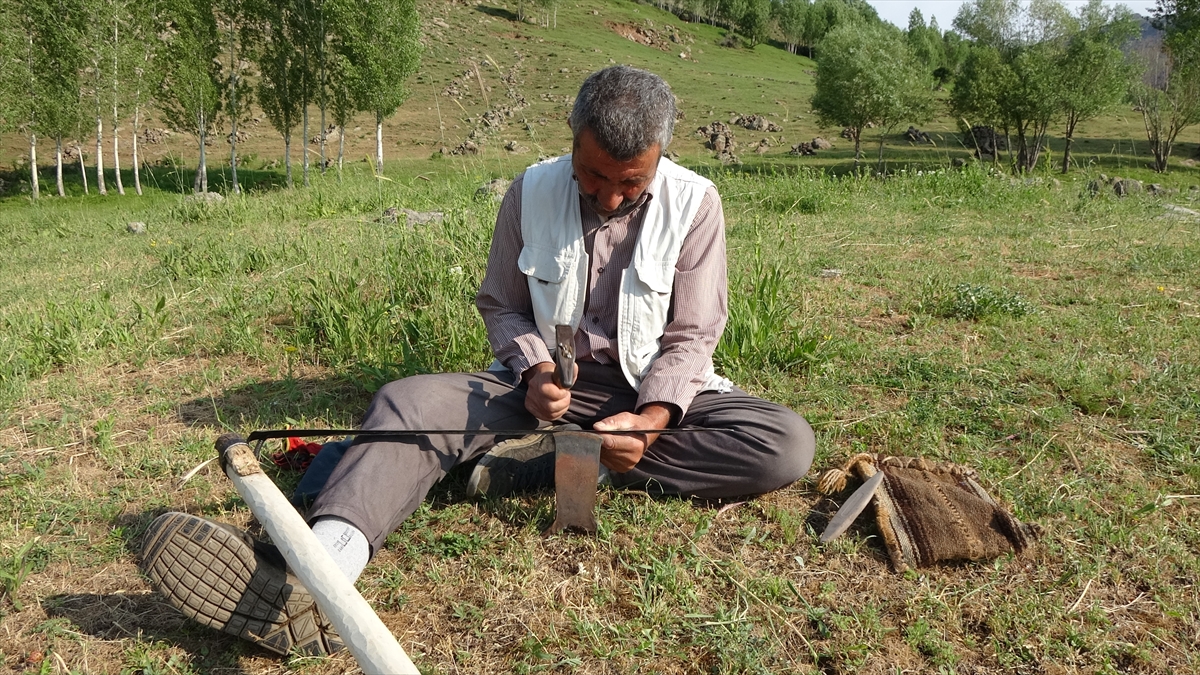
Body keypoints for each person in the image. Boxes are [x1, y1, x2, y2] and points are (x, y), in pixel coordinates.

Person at [140, 65, 816, 657]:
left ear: (662, 154)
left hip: (648, 401)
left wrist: (653, 417)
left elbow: (694, 334)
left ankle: (527, 462)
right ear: (570, 139)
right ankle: (319, 579)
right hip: (543, 395)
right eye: (593, 177)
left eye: (629, 183)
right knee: (408, 404)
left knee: (783, 444)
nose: (609, 197)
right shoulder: (529, 192)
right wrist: (534, 371)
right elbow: (501, 304)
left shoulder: (696, 203)